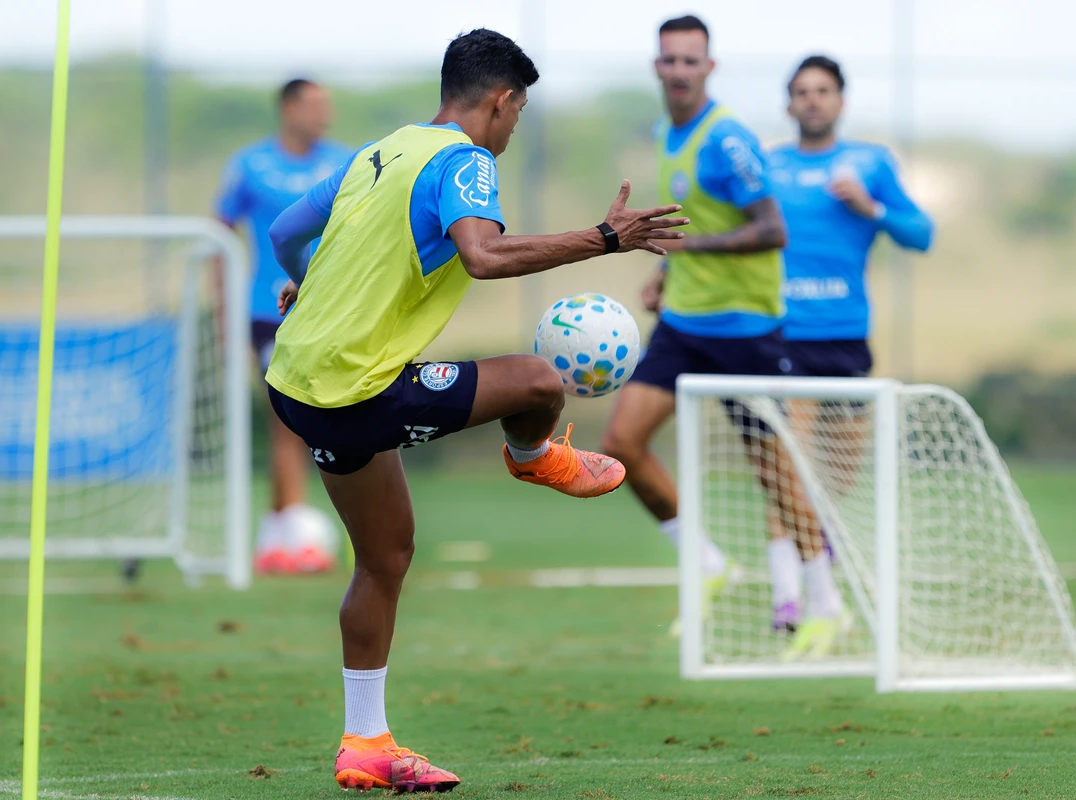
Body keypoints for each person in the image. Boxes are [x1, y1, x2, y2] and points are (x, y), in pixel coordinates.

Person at [265, 28, 689, 793]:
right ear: (503, 101)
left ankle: (365, 743)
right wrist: (603, 238)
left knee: (385, 556)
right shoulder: (466, 161)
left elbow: (286, 233)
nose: (514, 127)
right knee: (536, 381)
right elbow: (484, 257)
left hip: (296, 383)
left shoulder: (381, 149)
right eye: (517, 113)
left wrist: (306, 285)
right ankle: (533, 456)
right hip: (357, 390)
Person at [600, 14, 845, 656]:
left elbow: (772, 230)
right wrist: (665, 268)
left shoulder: (727, 138)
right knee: (622, 444)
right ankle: (706, 562)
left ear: (709, 67)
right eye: (669, 60)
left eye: (691, 60)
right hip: (683, 323)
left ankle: (825, 600)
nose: (679, 70)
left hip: (747, 331)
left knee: (773, 473)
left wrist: (688, 248)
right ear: (656, 67)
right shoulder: (666, 132)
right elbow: (691, 224)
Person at [764, 55, 934, 642]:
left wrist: (872, 209)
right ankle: (788, 601)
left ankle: (817, 550)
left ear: (840, 101)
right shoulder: (768, 166)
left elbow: (922, 234)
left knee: (838, 474)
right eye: (802, 91)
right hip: (785, 337)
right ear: (789, 104)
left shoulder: (871, 164)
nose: (812, 100)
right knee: (787, 468)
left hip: (846, 339)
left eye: (823, 90)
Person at [214, 79, 352, 574]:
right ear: (289, 109)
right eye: (317, 105)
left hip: (330, 308)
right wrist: (222, 309)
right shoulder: (249, 166)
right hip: (269, 311)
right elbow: (220, 234)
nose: (325, 114)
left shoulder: (348, 160)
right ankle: (291, 527)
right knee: (289, 416)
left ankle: (277, 529)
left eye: (328, 104)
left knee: (310, 417)